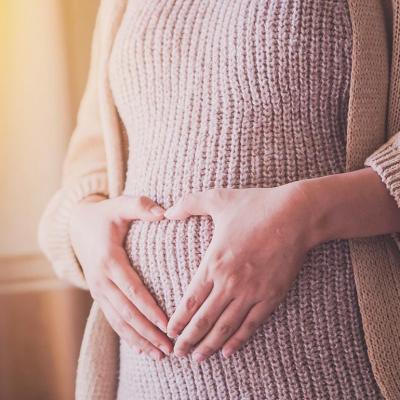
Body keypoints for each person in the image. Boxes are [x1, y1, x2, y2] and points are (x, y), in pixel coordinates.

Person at [38, 1, 400, 399]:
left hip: (336, 374)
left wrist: (305, 213)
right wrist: (83, 223)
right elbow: (93, 153)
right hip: (145, 382)